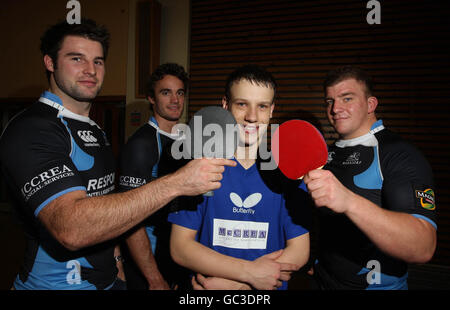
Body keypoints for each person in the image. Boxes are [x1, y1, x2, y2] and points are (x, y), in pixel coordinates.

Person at [0, 19, 234, 290]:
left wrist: (118, 262)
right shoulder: (33, 128)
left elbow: (109, 204)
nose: (90, 70)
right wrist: (178, 182)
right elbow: (71, 229)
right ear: (50, 63)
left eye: (98, 61)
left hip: (110, 281)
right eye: (77, 59)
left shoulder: (94, 130)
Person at [168, 64, 310, 290]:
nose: (252, 117)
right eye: (242, 104)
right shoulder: (199, 169)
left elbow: (300, 250)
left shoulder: (287, 173)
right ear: (225, 105)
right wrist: (249, 275)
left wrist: (240, 286)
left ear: (272, 110)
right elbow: (180, 247)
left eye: (262, 106)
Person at [303, 66, 437, 289]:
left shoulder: (399, 154)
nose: (335, 108)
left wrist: (349, 202)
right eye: (329, 101)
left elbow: (423, 246)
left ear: (371, 104)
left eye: (347, 98)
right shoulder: (327, 153)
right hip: (323, 282)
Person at [118, 63, 189, 289]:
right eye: (165, 92)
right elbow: (130, 219)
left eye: (179, 92)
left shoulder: (186, 138)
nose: (175, 100)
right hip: (148, 262)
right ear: (151, 98)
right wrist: (154, 278)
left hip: (176, 257)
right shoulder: (142, 144)